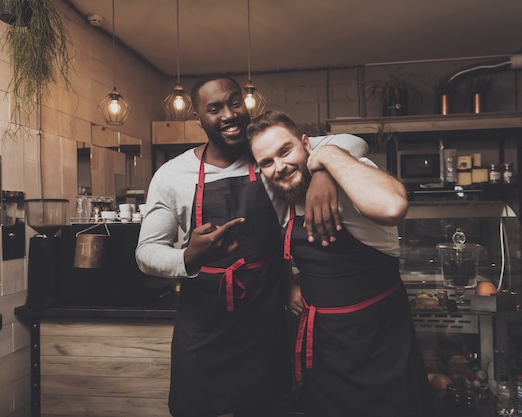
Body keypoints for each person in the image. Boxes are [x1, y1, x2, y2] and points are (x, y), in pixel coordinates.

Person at [135, 75, 368, 417]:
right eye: (214, 109)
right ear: (197, 119)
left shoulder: (268, 155)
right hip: (204, 330)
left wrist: (322, 170)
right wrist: (189, 256)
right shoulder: (172, 176)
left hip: (265, 323)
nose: (228, 115)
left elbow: (355, 142)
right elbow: (146, 253)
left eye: (234, 103)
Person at [247, 110, 434, 417]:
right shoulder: (278, 192)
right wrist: (289, 283)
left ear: (307, 144)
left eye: (285, 151)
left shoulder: (351, 172)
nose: (279, 166)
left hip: (382, 341)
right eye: (267, 162)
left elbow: (393, 205)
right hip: (324, 348)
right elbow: (269, 244)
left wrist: (326, 162)